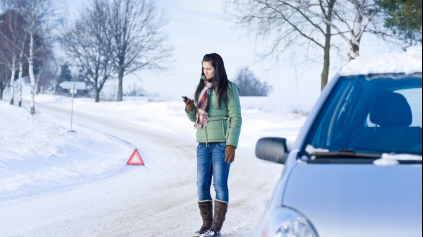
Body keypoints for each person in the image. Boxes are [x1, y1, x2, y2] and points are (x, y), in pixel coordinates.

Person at [183, 53, 242, 237]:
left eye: (209, 68)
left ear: (217, 68)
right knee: (201, 185)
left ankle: (216, 229)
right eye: (203, 68)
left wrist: (231, 144)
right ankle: (206, 225)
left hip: (221, 144)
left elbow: (236, 118)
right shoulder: (202, 88)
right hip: (203, 143)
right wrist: (190, 108)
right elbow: (196, 118)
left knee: (219, 185)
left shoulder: (229, 88)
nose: (205, 72)